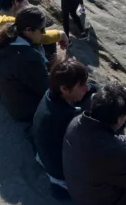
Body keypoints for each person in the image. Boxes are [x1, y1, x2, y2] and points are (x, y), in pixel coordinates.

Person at [32, 59, 93, 194]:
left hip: (44, 155)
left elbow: (89, 88)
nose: (87, 87)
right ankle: (62, 185)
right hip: (59, 169)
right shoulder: (63, 117)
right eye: (81, 85)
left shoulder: (51, 94)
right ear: (64, 89)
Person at [0, 6, 52, 121]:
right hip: (26, 110)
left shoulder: (8, 39)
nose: (44, 33)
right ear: (28, 30)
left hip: (13, 101)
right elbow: (47, 89)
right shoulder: (28, 58)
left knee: (50, 45)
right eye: (42, 29)